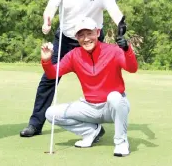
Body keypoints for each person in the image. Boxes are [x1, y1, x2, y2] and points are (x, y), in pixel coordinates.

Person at [20, 0, 127, 137]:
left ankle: (99, 122)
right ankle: (35, 124)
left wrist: (121, 24)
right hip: (65, 38)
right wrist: (47, 21)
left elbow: (114, 10)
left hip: (93, 42)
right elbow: (51, 7)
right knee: (49, 79)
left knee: (100, 80)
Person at [42, 17, 138, 157]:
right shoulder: (74, 55)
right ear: (76, 38)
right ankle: (91, 132)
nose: (86, 39)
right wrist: (46, 61)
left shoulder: (113, 50)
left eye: (89, 33)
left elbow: (132, 68)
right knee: (50, 113)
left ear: (98, 32)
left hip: (112, 107)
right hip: (89, 107)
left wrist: (126, 49)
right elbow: (53, 75)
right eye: (81, 35)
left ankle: (121, 142)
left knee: (114, 97)